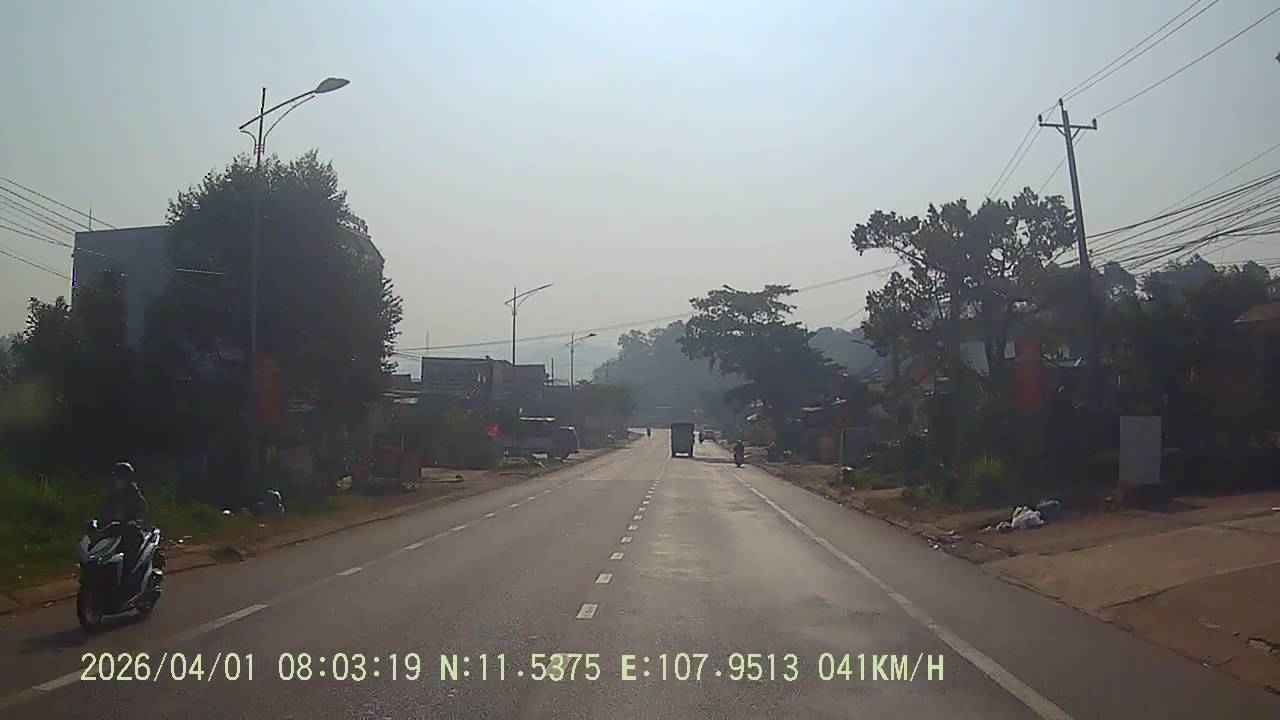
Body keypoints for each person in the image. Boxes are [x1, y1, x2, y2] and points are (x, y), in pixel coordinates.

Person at [101, 462, 148, 572]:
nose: (118, 480)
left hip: (130, 531)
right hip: (113, 529)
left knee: (129, 552)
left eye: (121, 477)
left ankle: (130, 575)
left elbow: (142, 511)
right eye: (117, 477)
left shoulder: (134, 494)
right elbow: (104, 511)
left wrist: (134, 522)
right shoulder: (113, 494)